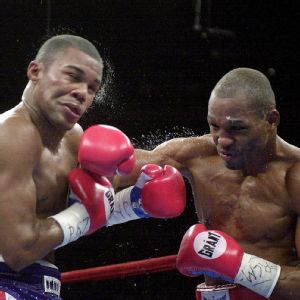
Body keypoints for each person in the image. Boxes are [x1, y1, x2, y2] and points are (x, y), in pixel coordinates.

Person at [0, 34, 186, 299]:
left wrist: (133, 203)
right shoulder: (12, 134)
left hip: (43, 282)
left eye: (92, 88)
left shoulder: (73, 137)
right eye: (72, 76)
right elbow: (18, 251)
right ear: (35, 71)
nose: (82, 93)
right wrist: (84, 214)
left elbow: (92, 204)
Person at [115, 68, 300, 299]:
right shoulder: (198, 156)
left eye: (237, 128)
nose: (222, 140)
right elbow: (118, 169)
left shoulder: (295, 178)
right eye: (214, 126)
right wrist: (70, 153)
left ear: (271, 120)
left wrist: (239, 267)